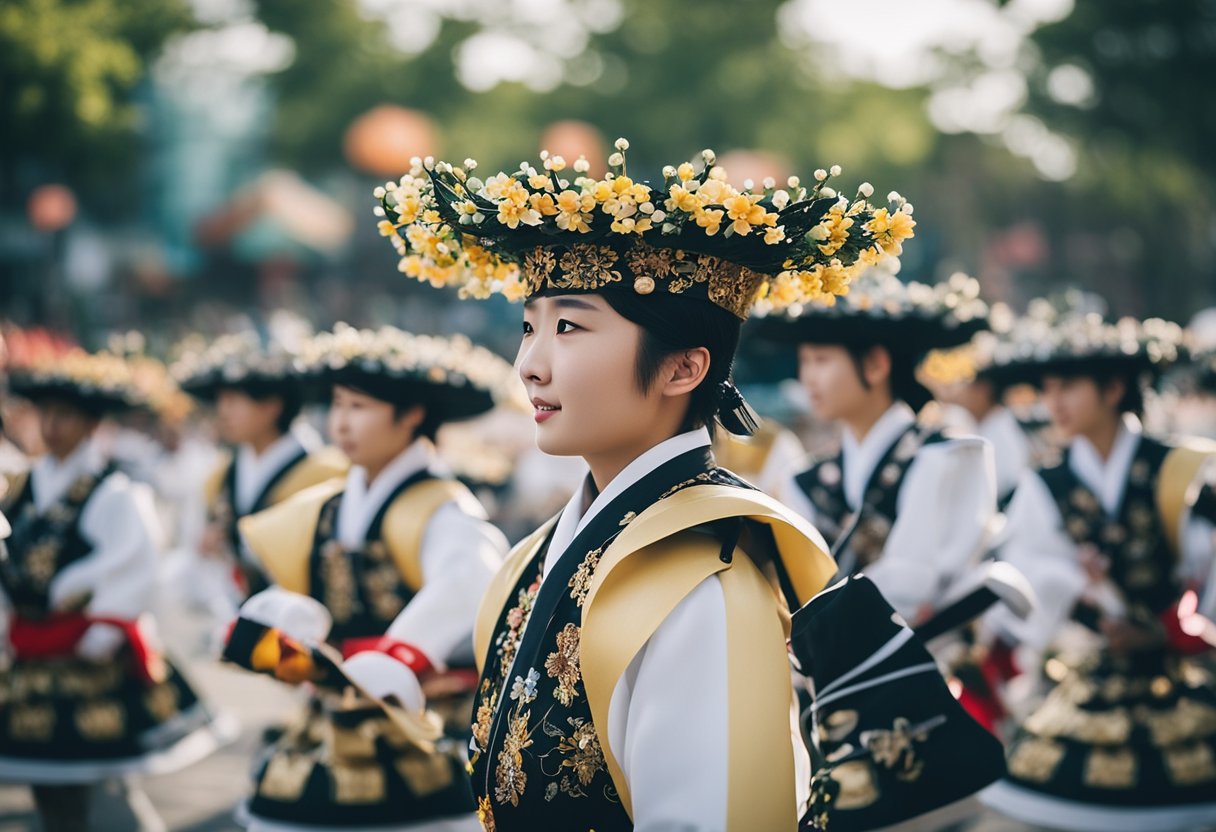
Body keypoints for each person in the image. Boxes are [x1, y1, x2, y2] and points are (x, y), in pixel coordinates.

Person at [371, 142, 916, 830]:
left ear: (684, 369)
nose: (530, 366)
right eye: (528, 326)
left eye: (568, 327)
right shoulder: (540, 552)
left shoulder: (703, 578)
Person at [226, 323, 515, 831]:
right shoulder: (330, 503)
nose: (340, 423)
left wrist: (398, 656)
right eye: (336, 405)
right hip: (336, 709)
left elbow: (470, 584)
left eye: (358, 408)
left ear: (412, 415)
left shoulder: (442, 508)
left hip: (421, 717)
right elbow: (298, 582)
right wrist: (287, 615)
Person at [978, 305, 1216, 830]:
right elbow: (1026, 568)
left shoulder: (1177, 467)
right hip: (1093, 674)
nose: (1052, 403)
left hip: (1178, 674)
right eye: (1047, 387)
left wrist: (1170, 630)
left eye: (1067, 387)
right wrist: (1081, 600)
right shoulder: (1048, 482)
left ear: (1113, 388)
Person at [0, 348, 231, 832]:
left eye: (64, 415)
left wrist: (102, 629)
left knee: (101, 781)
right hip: (30, 648)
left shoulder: (113, 491)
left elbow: (134, 565)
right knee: (50, 783)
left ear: (90, 423)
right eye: (45, 413)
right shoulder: (22, 486)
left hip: (87, 650)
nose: (51, 425)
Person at [759, 270, 998, 625]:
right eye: (804, 361)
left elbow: (917, 584)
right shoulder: (804, 479)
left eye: (821, 360)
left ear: (875, 365)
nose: (807, 377)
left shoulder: (947, 457)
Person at [172, 332, 348, 603]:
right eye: (220, 400)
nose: (223, 411)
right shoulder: (219, 476)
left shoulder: (327, 474)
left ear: (271, 405)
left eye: (234, 399)